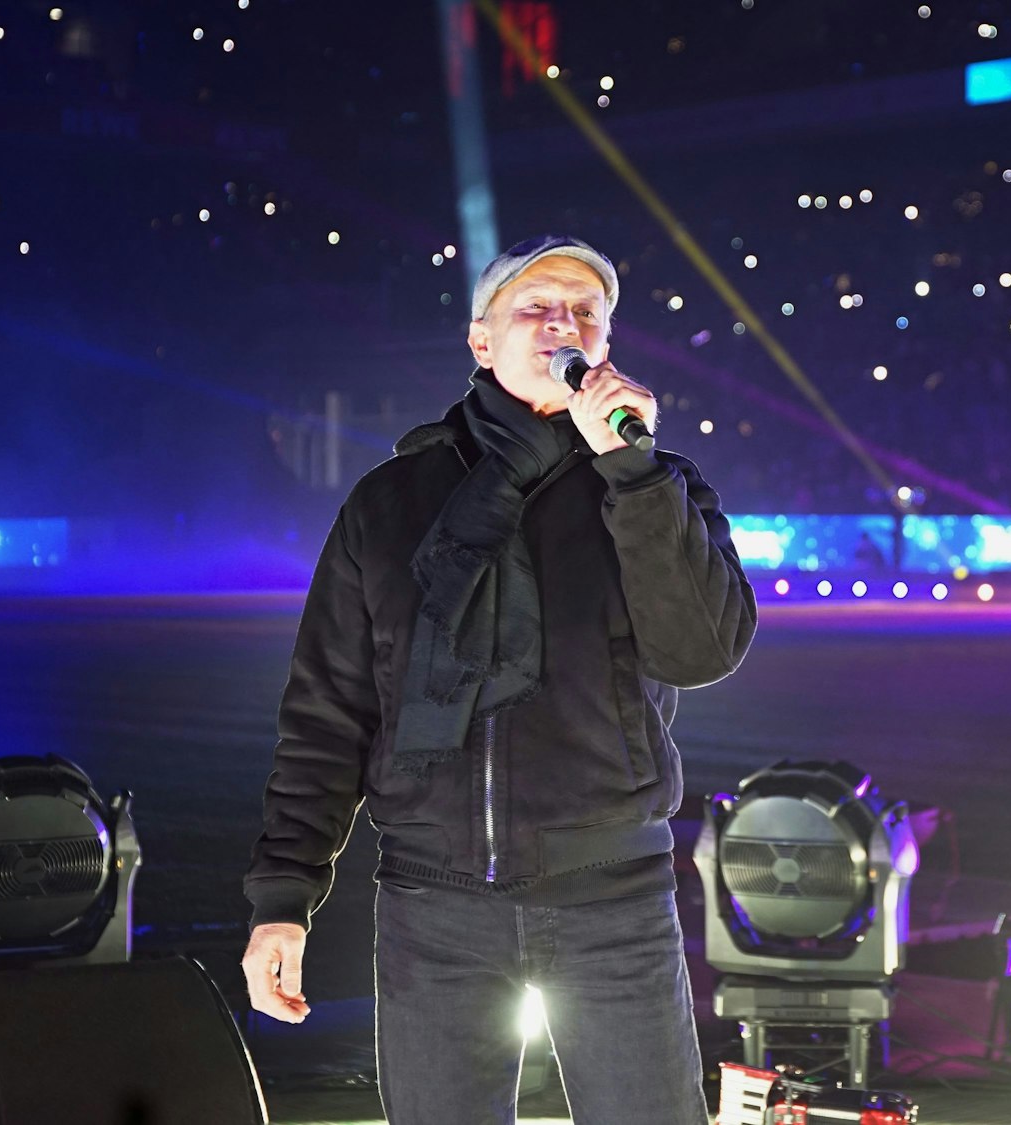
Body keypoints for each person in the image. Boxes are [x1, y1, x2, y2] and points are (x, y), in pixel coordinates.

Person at [241, 234, 756, 1124]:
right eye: (538, 306)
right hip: (432, 907)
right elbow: (329, 708)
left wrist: (631, 477)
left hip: (612, 900)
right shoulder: (392, 501)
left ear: (606, 344)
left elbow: (702, 651)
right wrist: (284, 896)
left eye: (586, 312)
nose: (565, 324)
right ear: (482, 340)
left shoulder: (653, 486)